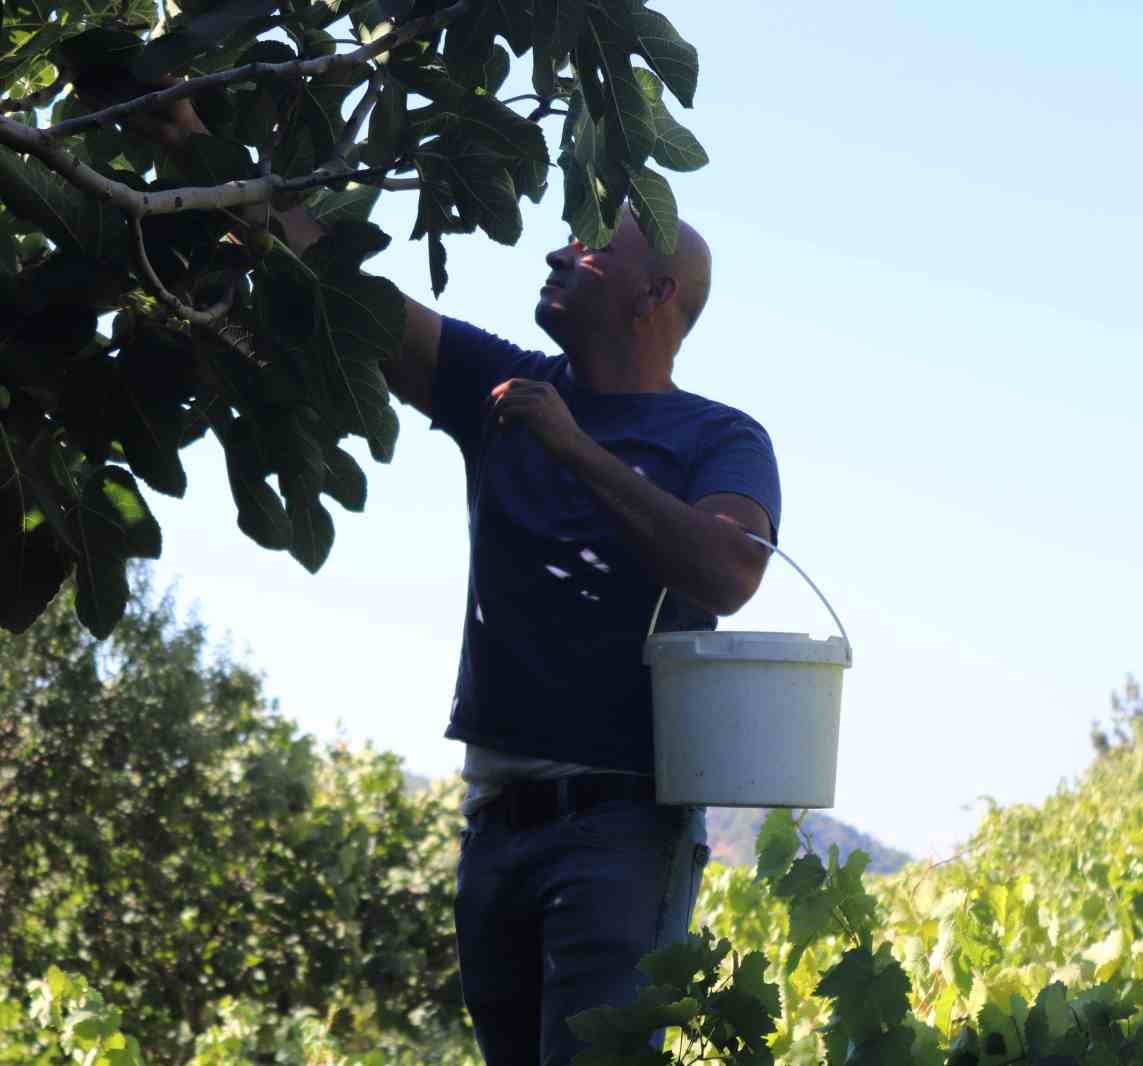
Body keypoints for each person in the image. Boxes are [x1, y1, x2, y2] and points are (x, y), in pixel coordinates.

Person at [145, 94, 780, 1066]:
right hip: (494, 828)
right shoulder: (503, 385)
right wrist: (194, 145)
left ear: (654, 297)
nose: (557, 256)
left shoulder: (718, 438)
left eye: (588, 251)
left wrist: (574, 451)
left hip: (623, 828)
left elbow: (732, 570)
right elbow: (344, 289)